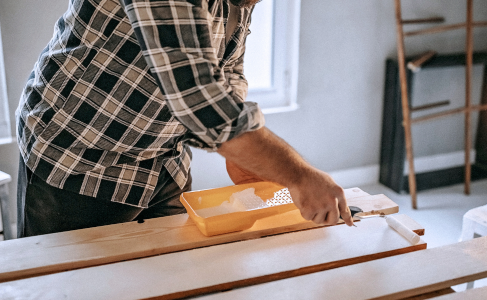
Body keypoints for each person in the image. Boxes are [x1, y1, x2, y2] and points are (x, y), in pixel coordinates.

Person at [16, 0, 353, 238]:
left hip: (163, 158)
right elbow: (199, 99)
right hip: (81, 157)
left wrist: (244, 155)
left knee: (170, 274)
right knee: (80, 286)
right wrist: (297, 174)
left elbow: (227, 71)